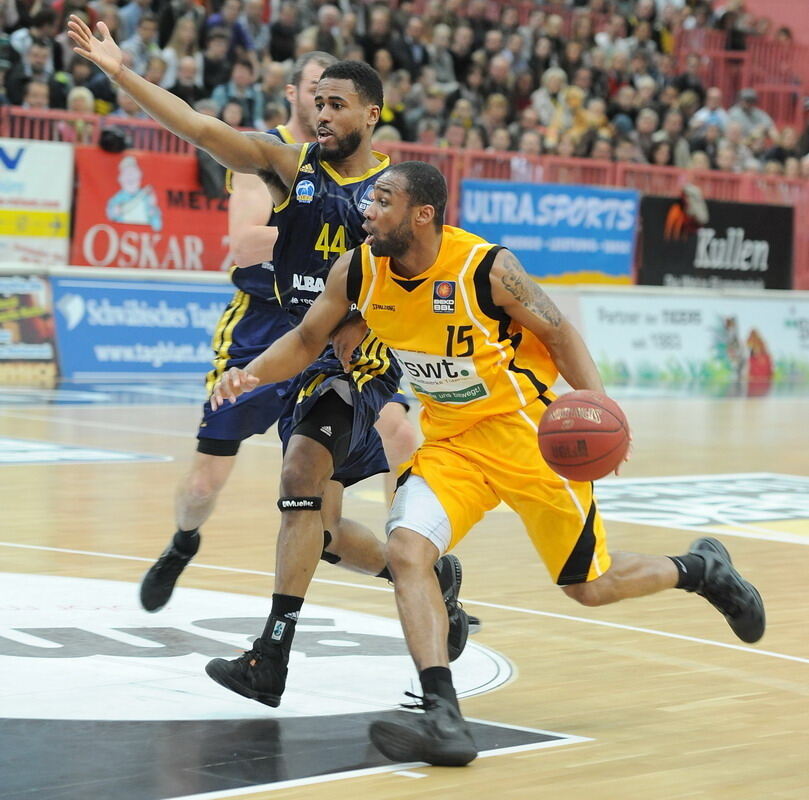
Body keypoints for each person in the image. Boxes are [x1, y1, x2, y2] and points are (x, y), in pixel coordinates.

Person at [209, 160, 766, 767]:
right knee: (407, 551)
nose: (366, 209)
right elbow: (306, 340)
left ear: (422, 214)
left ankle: (701, 568)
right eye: (368, 199)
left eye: (383, 200)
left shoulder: (486, 268)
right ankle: (443, 716)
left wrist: (600, 408)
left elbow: (560, 334)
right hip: (451, 444)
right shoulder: (359, 269)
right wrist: (249, 373)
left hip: (527, 437)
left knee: (589, 586)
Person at [67, 19, 473, 697]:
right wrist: (120, 73)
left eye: (336, 103)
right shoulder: (292, 168)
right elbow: (198, 128)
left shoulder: (396, 194)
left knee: (299, 482)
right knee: (321, 525)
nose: (321, 113)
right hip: (288, 345)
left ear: (372, 116)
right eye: (317, 102)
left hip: (354, 367)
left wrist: (373, 327)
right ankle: (408, 591)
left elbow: (427, 282)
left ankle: (272, 657)